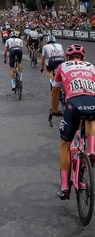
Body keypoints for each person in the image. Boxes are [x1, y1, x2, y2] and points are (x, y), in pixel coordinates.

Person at [51, 44, 95, 200]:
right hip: (92, 101)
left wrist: (54, 110)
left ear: (68, 57)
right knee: (91, 118)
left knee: (65, 144)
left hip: (73, 105)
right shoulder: (91, 66)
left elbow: (55, 92)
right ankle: (91, 151)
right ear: (83, 58)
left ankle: (64, 188)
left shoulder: (62, 66)